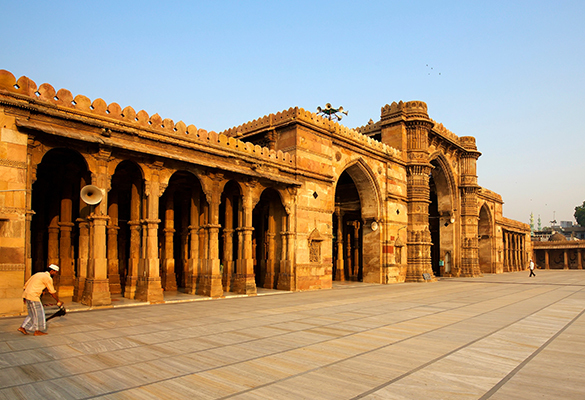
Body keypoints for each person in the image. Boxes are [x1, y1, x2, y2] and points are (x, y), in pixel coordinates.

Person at [18, 264, 63, 336]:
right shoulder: (48, 278)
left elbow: (26, 284)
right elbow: (52, 291)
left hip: (27, 295)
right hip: (33, 297)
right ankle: (37, 331)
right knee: (39, 314)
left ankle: (22, 327)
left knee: (32, 314)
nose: (55, 274)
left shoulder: (38, 274)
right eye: (55, 272)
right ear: (51, 271)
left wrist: (25, 297)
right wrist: (58, 300)